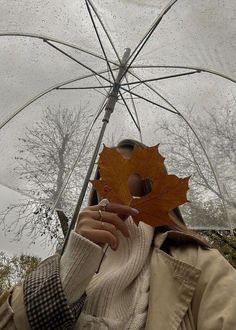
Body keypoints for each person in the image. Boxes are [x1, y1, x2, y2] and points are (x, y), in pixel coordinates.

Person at [1, 139, 236, 330]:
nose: (108, 178)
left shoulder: (200, 264)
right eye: (104, 171)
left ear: (152, 182)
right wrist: (72, 268)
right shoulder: (62, 261)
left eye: (126, 167)